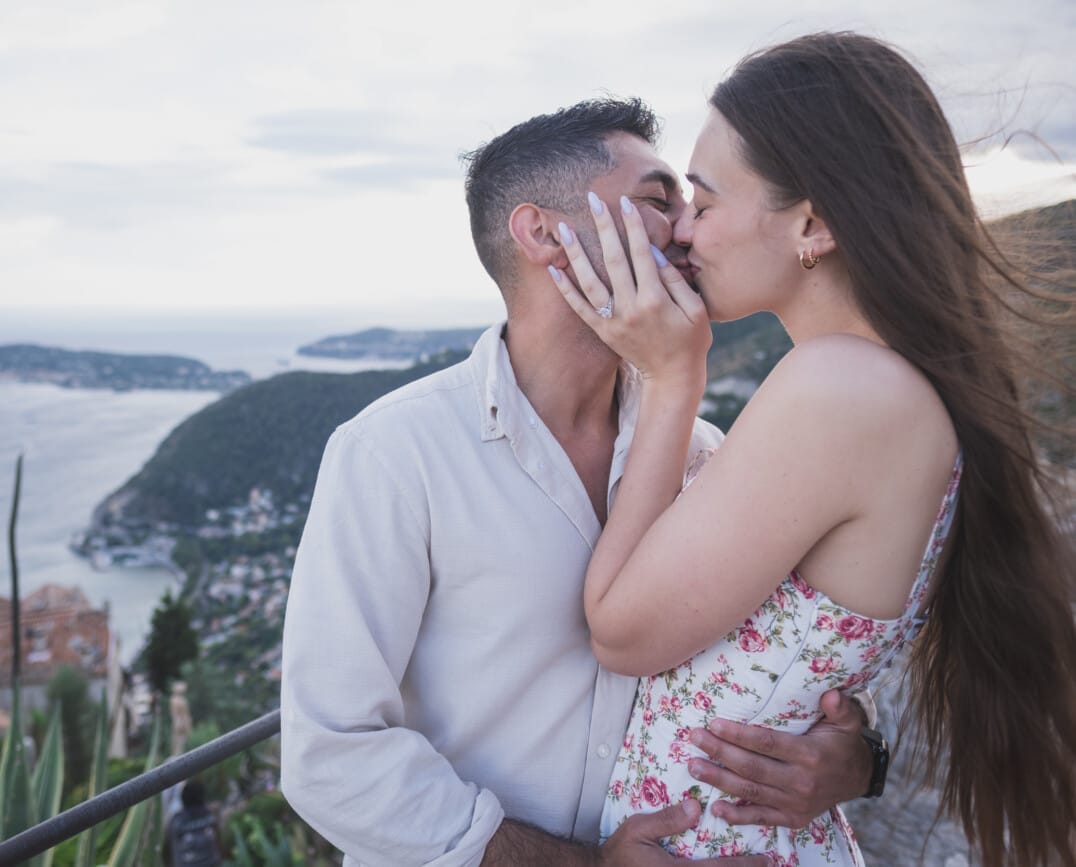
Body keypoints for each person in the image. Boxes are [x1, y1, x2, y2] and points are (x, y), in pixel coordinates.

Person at [280, 98, 879, 867]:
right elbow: (329, 752)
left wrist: (857, 754)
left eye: (693, 204)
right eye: (660, 201)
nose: (689, 229)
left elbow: (790, 654)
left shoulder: (704, 453)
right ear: (542, 234)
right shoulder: (395, 455)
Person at [549, 33, 1076, 867]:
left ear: (814, 223)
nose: (683, 232)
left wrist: (673, 379)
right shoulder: (886, 384)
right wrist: (861, 747)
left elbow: (621, 633)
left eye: (706, 201)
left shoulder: (840, 389)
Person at [164, 779, 221, 867]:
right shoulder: (209, 816)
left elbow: (170, 842)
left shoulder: (177, 821)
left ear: (183, 799)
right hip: (212, 863)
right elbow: (218, 839)